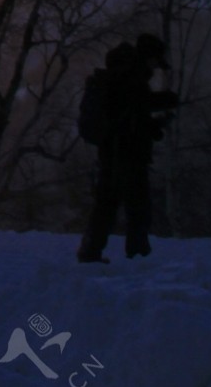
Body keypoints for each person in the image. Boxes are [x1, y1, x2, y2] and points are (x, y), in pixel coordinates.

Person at [76, 33, 179, 262]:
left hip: (112, 149)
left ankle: (91, 251)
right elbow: (135, 111)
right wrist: (166, 104)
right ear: (149, 56)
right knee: (138, 206)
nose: (156, 67)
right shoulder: (132, 77)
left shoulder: (122, 75)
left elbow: (131, 114)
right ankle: (138, 254)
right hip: (127, 152)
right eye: (155, 61)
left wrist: (153, 125)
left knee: (107, 202)